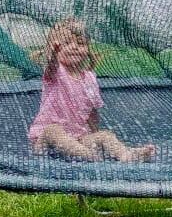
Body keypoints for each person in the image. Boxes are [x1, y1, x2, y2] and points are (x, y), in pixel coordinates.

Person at [28, 17, 156, 162]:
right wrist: (52, 56)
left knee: (105, 135)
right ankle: (91, 157)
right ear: (55, 49)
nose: (74, 47)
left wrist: (95, 136)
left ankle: (126, 155)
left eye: (81, 43)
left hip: (76, 139)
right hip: (45, 141)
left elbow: (92, 112)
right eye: (66, 43)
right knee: (53, 130)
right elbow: (51, 67)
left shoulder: (90, 78)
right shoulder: (57, 73)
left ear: (88, 48)